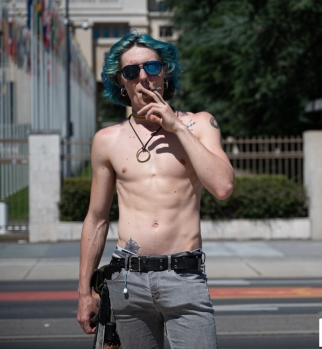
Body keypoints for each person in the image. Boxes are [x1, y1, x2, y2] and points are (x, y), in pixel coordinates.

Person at [76, 32, 234, 349]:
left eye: (151, 66)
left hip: (184, 277)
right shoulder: (107, 140)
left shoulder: (200, 124)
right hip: (127, 281)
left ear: (165, 71)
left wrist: (175, 126)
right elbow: (96, 219)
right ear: (121, 82)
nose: (144, 76)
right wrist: (83, 292)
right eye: (132, 71)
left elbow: (222, 186)